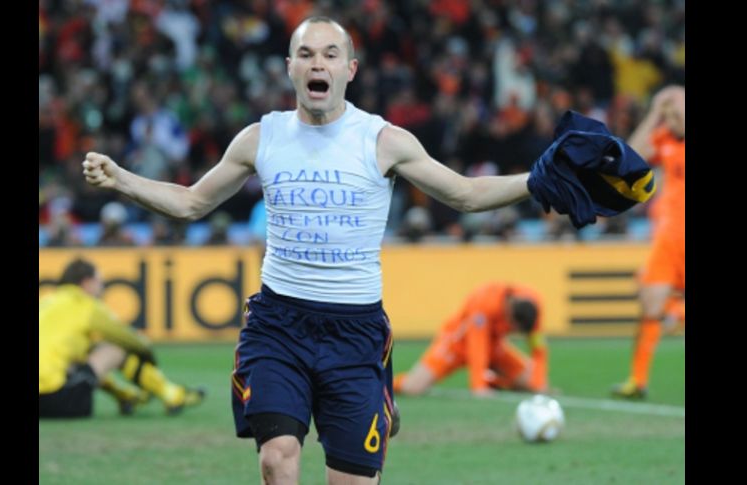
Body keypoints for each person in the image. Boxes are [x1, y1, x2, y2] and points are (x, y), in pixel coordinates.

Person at [82, 16, 609, 485]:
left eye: (331, 54)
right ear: (290, 67)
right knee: (277, 458)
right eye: (307, 54)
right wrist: (122, 180)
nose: (318, 63)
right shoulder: (259, 138)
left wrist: (538, 180)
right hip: (278, 324)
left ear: (350, 70)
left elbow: (465, 194)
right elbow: (193, 202)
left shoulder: (383, 141)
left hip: (355, 332)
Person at [39, 257, 205, 418]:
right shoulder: (86, 306)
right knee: (114, 349)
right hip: (61, 402)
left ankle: (125, 396)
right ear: (87, 282)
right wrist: (148, 356)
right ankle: (172, 394)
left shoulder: (45, 303)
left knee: (80, 356)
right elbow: (130, 339)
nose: (102, 287)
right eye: (99, 281)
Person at [611, 86, 685, 400]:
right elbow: (631, 157)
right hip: (668, 241)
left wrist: (676, 101)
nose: (669, 118)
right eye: (666, 113)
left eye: (673, 111)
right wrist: (655, 111)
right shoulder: (666, 139)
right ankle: (637, 381)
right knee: (649, 305)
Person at [393, 283, 549, 397]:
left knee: (530, 381)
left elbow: (539, 348)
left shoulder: (534, 306)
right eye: (515, 329)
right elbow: (477, 347)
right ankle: (387, 385)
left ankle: (493, 381)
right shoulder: (485, 302)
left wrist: (539, 384)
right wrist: (479, 387)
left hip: (493, 347)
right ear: (509, 314)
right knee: (412, 388)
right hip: (456, 343)